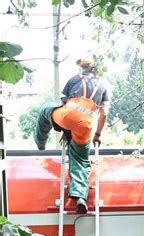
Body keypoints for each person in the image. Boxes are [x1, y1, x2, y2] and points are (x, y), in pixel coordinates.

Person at [33, 58, 110, 213]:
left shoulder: (75, 79)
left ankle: (41, 144)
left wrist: (65, 129)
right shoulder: (102, 85)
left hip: (67, 117)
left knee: (46, 110)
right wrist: (97, 135)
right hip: (86, 126)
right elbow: (104, 114)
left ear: (83, 69)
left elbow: (65, 103)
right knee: (81, 160)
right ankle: (81, 197)